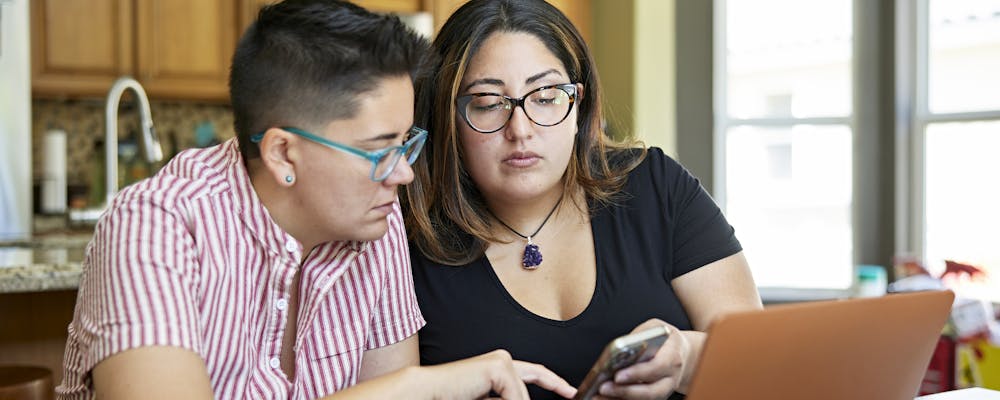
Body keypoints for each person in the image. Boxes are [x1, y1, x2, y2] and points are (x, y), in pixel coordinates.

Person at [56, 1, 575, 399]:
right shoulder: (153, 226)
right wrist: (426, 385)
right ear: (284, 154)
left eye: (405, 144)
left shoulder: (374, 220)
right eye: (380, 150)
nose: (403, 173)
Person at [401, 0, 765, 399]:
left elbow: (758, 362)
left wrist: (687, 357)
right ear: (447, 118)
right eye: (488, 103)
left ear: (579, 105)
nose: (520, 129)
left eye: (546, 97)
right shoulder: (402, 238)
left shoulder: (655, 185)